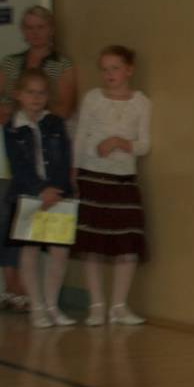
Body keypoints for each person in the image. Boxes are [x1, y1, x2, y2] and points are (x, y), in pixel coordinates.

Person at [0, 5, 77, 312]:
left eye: (40, 27)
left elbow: (66, 107)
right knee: (4, 212)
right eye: (29, 27)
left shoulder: (61, 65)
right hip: (8, 140)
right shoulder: (10, 63)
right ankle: (10, 285)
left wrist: (34, 109)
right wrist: (4, 111)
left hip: (44, 145)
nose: (34, 33)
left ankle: (33, 292)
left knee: (38, 210)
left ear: (51, 30)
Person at [72, 45, 151, 326]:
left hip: (123, 179)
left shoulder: (141, 103)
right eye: (104, 69)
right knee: (92, 244)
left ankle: (119, 305)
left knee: (126, 243)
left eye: (115, 68)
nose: (109, 74)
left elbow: (144, 144)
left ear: (129, 70)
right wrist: (74, 170)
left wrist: (120, 142)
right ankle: (97, 305)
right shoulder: (92, 98)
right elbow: (81, 136)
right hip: (92, 176)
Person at [2, 68, 76, 328]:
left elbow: (64, 158)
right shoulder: (12, 128)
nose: (36, 98)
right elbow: (18, 165)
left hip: (58, 195)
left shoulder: (55, 123)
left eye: (42, 93)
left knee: (59, 253)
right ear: (18, 95)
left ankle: (52, 305)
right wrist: (40, 189)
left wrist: (57, 189)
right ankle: (36, 306)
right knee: (30, 250)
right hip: (28, 195)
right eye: (30, 92)